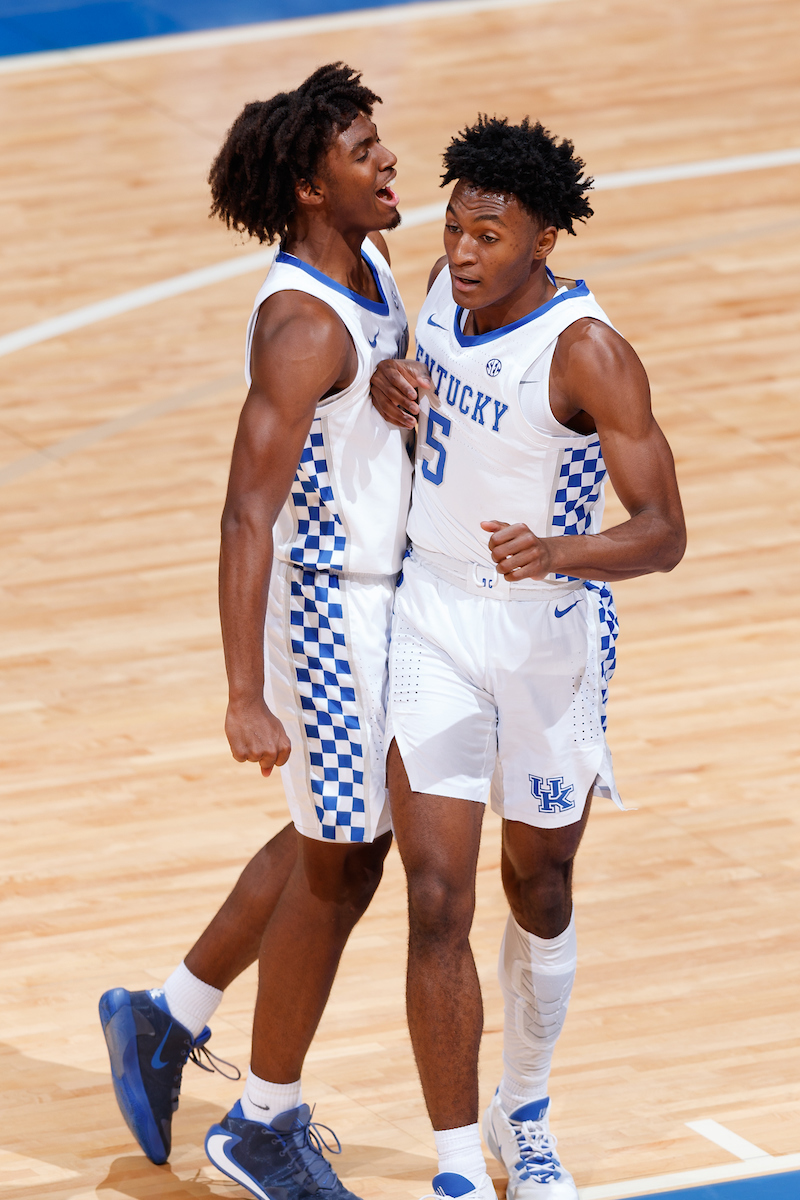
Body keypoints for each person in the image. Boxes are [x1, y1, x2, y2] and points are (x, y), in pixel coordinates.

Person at [99, 63, 412, 1200]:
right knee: (340, 863)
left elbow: (366, 432)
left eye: (382, 141)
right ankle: (259, 1125)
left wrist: (405, 395)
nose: (387, 162)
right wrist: (244, 690)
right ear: (305, 184)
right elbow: (246, 512)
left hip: (388, 595)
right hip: (327, 609)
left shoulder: (370, 267)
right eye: (362, 150)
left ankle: (163, 1017)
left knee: (346, 843)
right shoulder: (297, 323)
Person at [371, 115, 686, 1200]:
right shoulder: (441, 290)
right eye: (453, 228)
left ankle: (524, 1109)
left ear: (543, 237)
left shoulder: (586, 352)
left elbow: (661, 532)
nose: (461, 251)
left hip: (547, 630)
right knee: (433, 895)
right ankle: (457, 1164)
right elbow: (437, 413)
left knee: (537, 881)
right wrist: (392, 393)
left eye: (488, 237)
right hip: (432, 617)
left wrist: (556, 548)